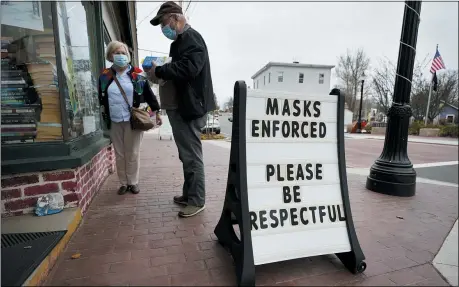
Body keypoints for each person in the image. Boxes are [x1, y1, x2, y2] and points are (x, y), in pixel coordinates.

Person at [147, 1, 215, 218]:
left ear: (175, 18)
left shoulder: (191, 37)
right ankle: (189, 194)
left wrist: (161, 70)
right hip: (183, 106)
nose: (162, 29)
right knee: (186, 154)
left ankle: (197, 200)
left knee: (191, 155)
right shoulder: (180, 41)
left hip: (190, 107)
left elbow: (190, 68)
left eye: (164, 23)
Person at [98, 40, 161, 195]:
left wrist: (157, 111)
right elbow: (101, 97)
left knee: (132, 152)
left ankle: (133, 182)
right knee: (119, 154)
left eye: (123, 53)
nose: (120, 56)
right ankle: (123, 183)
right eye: (117, 53)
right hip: (114, 120)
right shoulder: (105, 76)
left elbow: (148, 94)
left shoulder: (137, 74)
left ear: (128, 55)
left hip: (133, 120)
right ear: (110, 56)